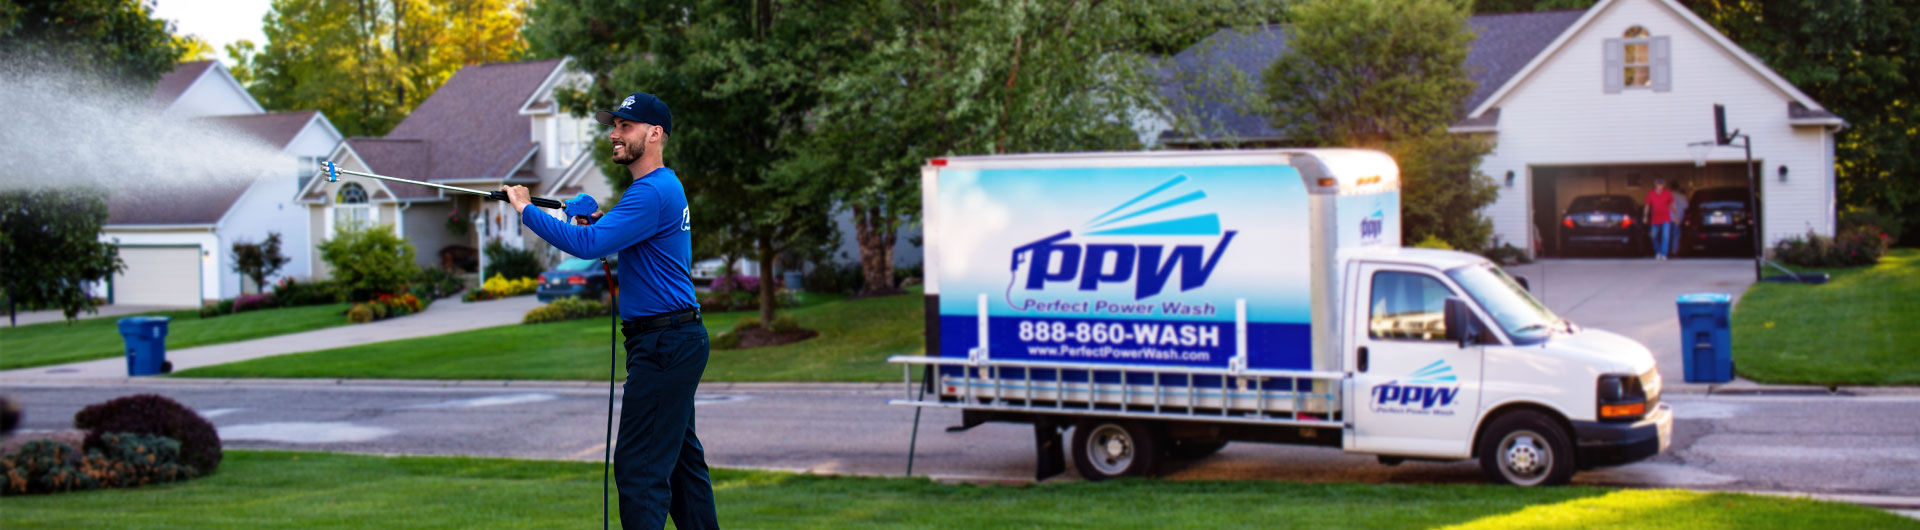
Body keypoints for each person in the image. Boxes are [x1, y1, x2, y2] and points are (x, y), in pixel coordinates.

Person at [502, 92, 718, 530]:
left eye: (626, 126)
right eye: (614, 126)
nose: (615, 135)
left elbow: (589, 246)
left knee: (639, 469)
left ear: (655, 133)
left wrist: (526, 209)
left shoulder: (652, 190)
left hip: (664, 345)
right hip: (671, 340)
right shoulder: (657, 189)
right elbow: (607, 235)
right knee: (680, 466)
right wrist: (594, 219)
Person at [1643, 178, 1674, 261]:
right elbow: (1647, 205)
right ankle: (1658, 252)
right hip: (1655, 219)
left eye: (1662, 184)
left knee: (1665, 236)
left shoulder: (1667, 193)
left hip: (1666, 218)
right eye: (1659, 184)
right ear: (1655, 185)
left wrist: (1676, 216)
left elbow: (1672, 205)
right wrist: (1645, 216)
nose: (1660, 186)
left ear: (1664, 185)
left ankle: (1664, 254)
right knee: (1653, 236)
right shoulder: (1651, 194)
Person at [1669, 183, 1689, 257]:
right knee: (1676, 236)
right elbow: (1686, 208)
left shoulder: (1666, 196)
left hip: (1667, 219)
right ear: (1678, 188)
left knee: (1667, 235)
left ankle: (1666, 251)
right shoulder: (1682, 197)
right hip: (1678, 218)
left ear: (1670, 187)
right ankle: (1674, 252)